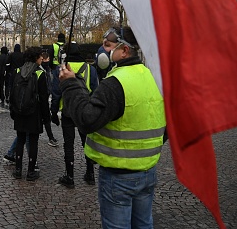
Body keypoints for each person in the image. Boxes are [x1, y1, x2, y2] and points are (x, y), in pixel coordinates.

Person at [59, 26, 166, 229]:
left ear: (124, 50)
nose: (103, 50)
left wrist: (70, 85)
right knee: (144, 224)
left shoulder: (116, 82)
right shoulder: (152, 77)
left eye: (108, 45)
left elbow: (87, 120)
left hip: (119, 176)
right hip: (148, 171)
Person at [51, 42, 98, 188]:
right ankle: (90, 174)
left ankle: (69, 176)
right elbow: (96, 90)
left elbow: (56, 93)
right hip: (86, 111)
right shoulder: (90, 69)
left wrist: (53, 112)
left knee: (68, 144)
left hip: (68, 111)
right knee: (87, 142)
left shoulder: (61, 69)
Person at [10, 46, 50, 181]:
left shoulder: (17, 71)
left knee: (20, 140)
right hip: (34, 111)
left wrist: (13, 111)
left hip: (19, 111)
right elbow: (44, 98)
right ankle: (31, 171)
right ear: (36, 58)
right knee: (33, 141)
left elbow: (12, 93)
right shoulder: (40, 73)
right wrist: (46, 117)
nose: (42, 59)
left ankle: (18, 170)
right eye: (40, 57)